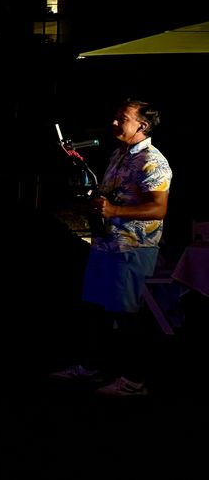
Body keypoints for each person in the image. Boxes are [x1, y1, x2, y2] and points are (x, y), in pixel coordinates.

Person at [51, 100, 172, 397]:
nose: (115, 122)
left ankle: (134, 380)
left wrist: (114, 210)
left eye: (123, 118)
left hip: (132, 249)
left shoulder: (153, 161)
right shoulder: (119, 155)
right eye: (116, 116)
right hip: (106, 245)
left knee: (127, 315)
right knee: (96, 311)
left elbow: (158, 209)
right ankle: (93, 367)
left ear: (142, 125)